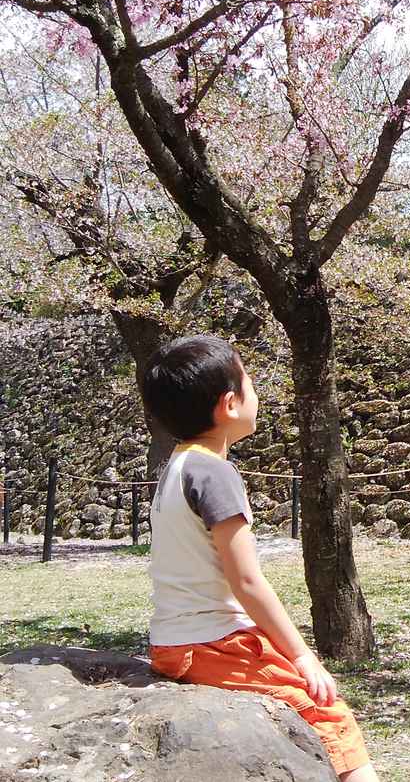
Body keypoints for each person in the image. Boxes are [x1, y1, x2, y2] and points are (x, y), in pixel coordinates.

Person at [140, 335, 377, 781]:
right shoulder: (215, 474)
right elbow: (246, 582)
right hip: (214, 643)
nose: (257, 392)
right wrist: (303, 656)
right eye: (249, 382)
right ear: (230, 404)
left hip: (175, 642)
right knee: (330, 714)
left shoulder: (177, 465)